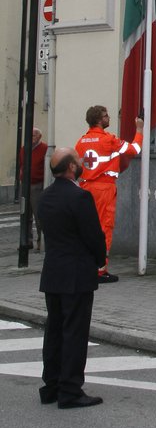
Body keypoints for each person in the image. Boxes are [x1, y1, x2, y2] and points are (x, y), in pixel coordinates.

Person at [36, 147, 107, 408]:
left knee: (54, 330)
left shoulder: (45, 197)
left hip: (53, 272)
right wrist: (100, 260)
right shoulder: (80, 197)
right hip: (76, 274)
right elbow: (93, 235)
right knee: (74, 332)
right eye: (78, 159)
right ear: (71, 168)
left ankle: (51, 385)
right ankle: (70, 390)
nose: (81, 161)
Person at [75, 106, 144, 283]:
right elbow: (135, 149)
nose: (109, 118)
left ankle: (86, 265)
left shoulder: (81, 142)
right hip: (104, 189)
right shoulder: (109, 140)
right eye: (106, 116)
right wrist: (139, 129)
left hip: (84, 187)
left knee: (86, 229)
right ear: (99, 119)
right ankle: (100, 269)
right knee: (104, 228)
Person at [19, 128, 47, 250]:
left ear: (40, 136)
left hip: (37, 185)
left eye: (35, 135)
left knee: (38, 215)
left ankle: (40, 242)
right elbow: (21, 164)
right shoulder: (24, 149)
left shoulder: (45, 149)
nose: (32, 137)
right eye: (30, 135)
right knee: (25, 215)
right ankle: (26, 241)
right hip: (25, 185)